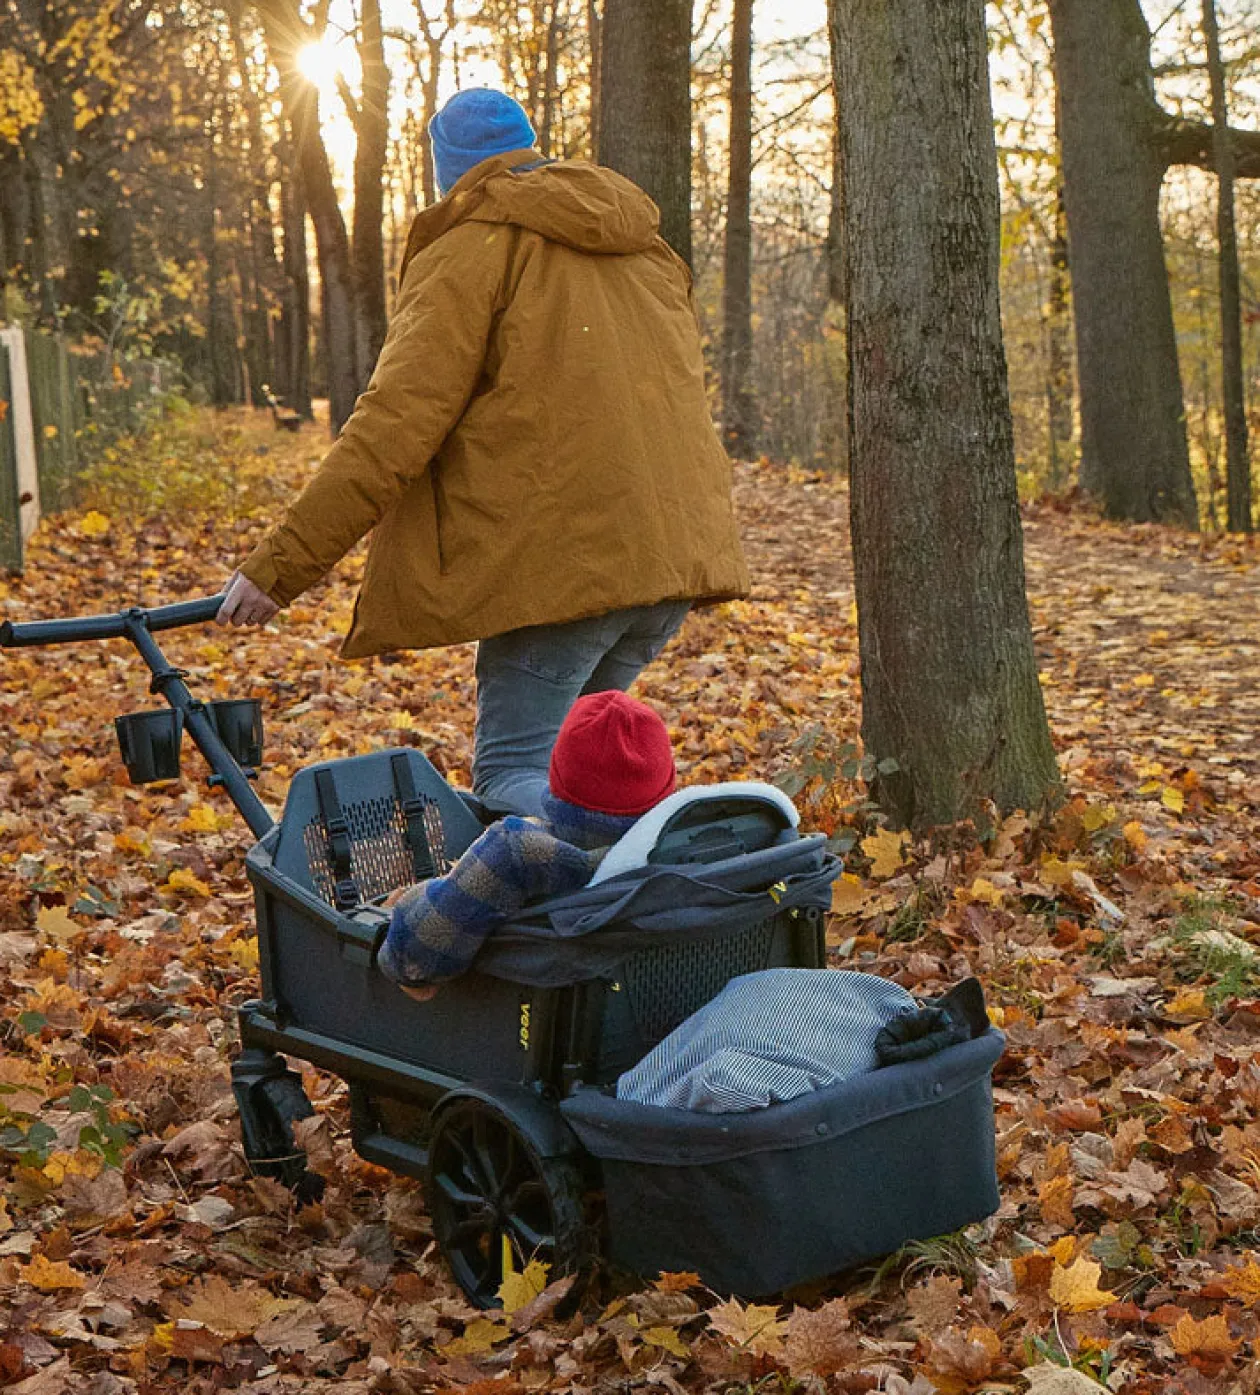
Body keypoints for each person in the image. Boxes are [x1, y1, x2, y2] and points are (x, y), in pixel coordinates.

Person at [218, 87, 748, 818]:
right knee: (582, 779)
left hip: (570, 570)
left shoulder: (472, 248)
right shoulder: (643, 246)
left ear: (452, 175)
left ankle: (639, 884)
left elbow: (393, 425)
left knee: (511, 775)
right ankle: (621, 916)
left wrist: (279, 568)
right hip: (669, 561)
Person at [377, 689, 676, 998]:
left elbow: (414, 964)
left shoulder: (517, 852)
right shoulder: (680, 851)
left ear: (557, 778)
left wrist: (416, 896)